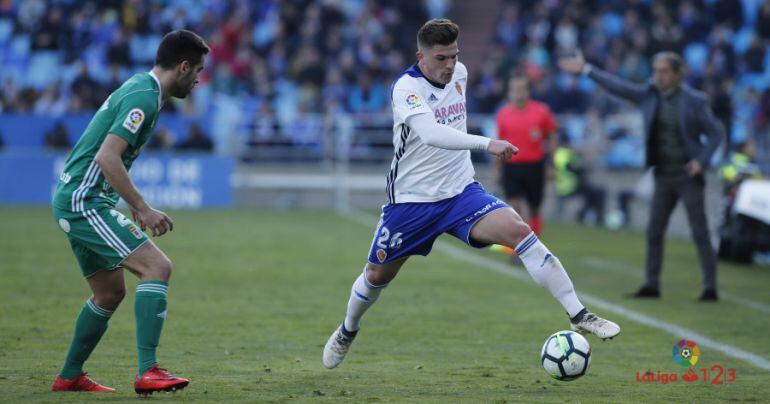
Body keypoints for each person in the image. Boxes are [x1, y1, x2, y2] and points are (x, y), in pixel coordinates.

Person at [322, 19, 620, 370]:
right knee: (375, 276)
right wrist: (487, 143)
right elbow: (431, 133)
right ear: (421, 56)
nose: (450, 65)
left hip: (461, 192)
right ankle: (347, 329)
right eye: (441, 58)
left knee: (519, 231)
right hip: (411, 202)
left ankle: (578, 313)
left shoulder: (459, 74)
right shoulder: (406, 88)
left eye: (454, 56)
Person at [50, 30, 209, 394]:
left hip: (80, 198)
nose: (199, 79)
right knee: (157, 267)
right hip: (83, 201)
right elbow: (107, 157)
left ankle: (69, 375)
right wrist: (141, 207)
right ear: (182, 66)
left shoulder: (144, 89)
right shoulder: (144, 98)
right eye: (197, 70)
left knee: (108, 293)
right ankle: (148, 370)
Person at [559, 51, 724, 301]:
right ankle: (651, 284)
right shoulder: (649, 93)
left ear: (678, 74)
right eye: (655, 71)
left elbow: (716, 132)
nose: (657, 76)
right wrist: (587, 70)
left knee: (699, 231)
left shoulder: (694, 100)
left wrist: (701, 161)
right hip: (662, 174)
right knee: (654, 231)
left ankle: (710, 287)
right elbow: (620, 87)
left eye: (664, 71)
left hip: (688, 175)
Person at [495, 75, 557, 237]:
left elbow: (552, 136)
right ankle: (519, 245)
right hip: (511, 166)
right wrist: (497, 170)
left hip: (534, 165)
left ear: (528, 91)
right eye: (514, 89)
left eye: (521, 88)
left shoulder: (541, 111)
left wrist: (551, 164)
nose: (517, 93)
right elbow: (498, 143)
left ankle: (535, 241)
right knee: (514, 207)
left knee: (534, 207)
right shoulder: (503, 114)